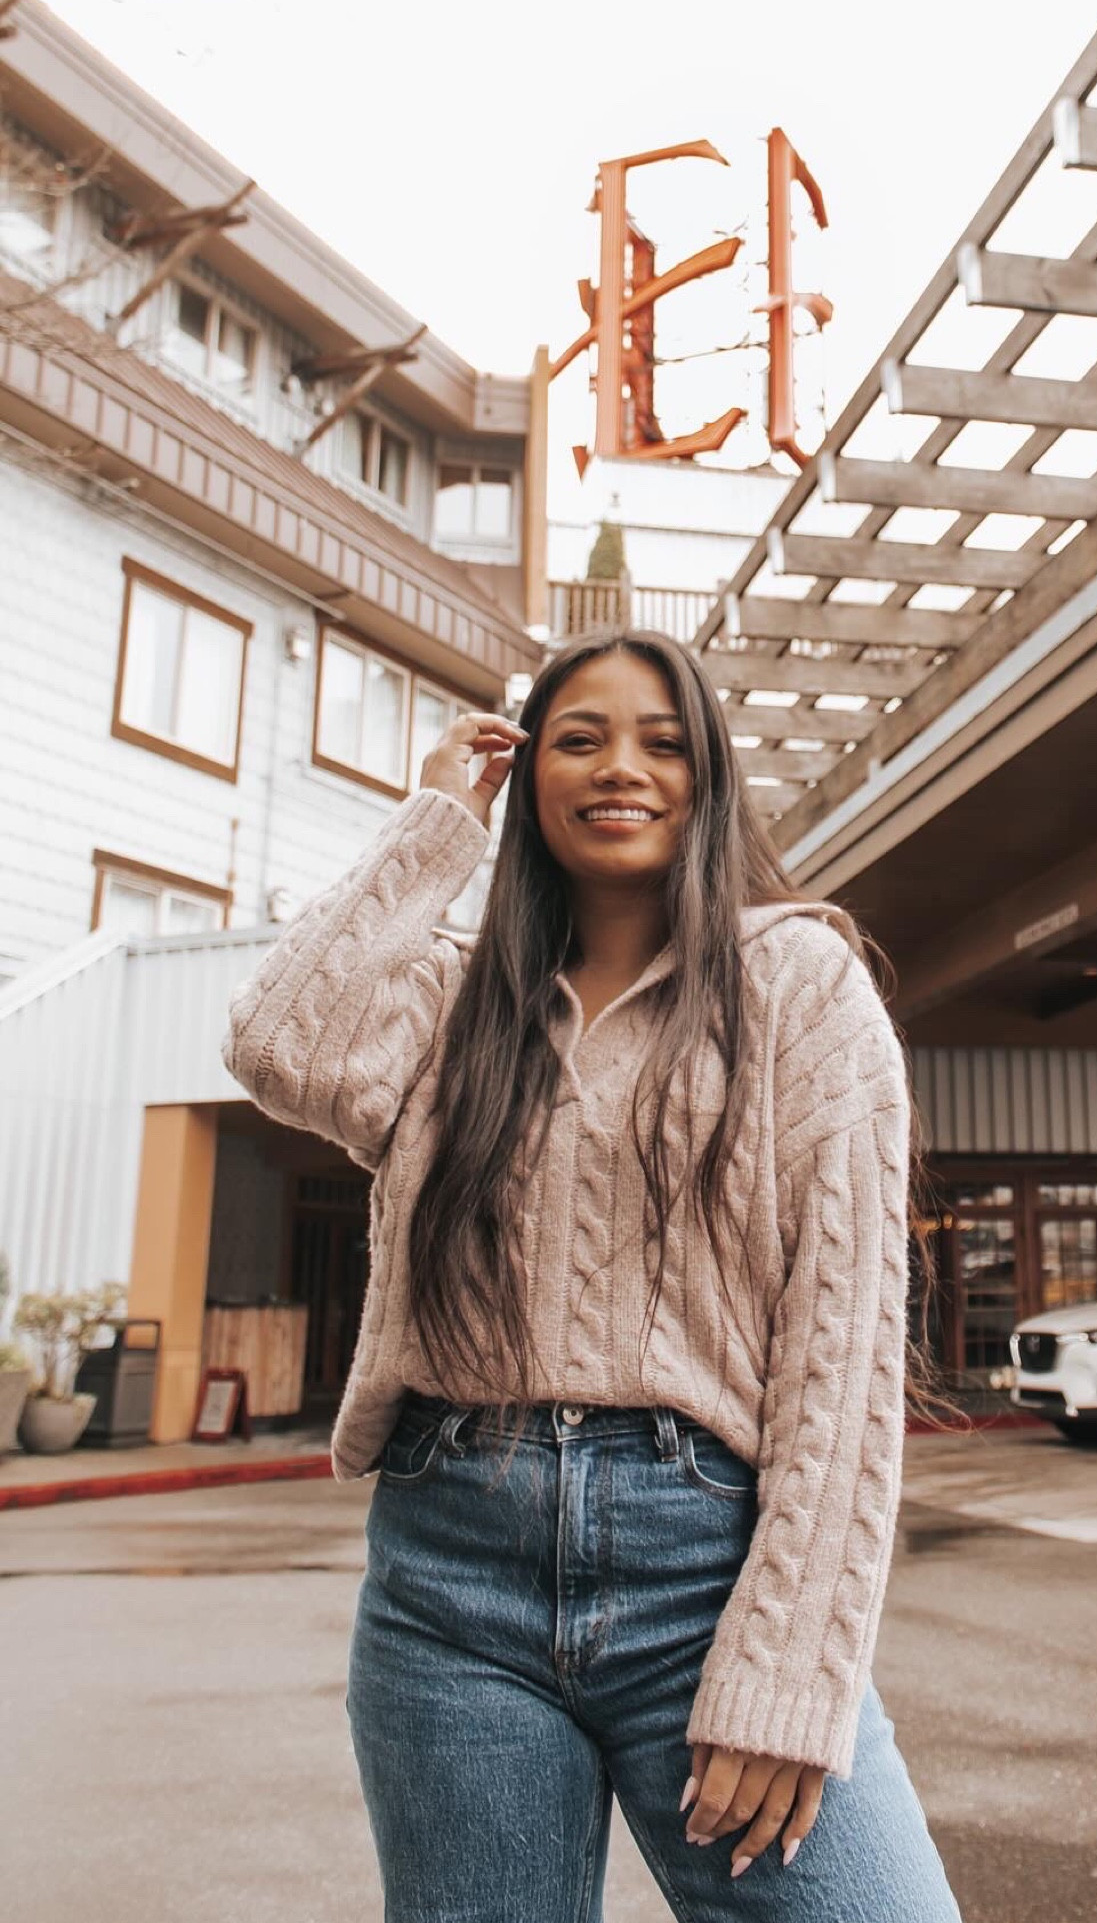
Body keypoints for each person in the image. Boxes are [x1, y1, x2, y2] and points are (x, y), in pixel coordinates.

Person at [223, 629, 963, 1923]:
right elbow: (283, 1042)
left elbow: (841, 1357)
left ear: (709, 777)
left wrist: (792, 1665)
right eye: (579, 738)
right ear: (531, 773)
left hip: (706, 1565)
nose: (622, 767)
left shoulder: (800, 985)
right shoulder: (458, 1002)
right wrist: (439, 823)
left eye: (662, 741)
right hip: (448, 1579)